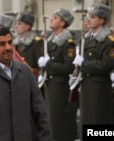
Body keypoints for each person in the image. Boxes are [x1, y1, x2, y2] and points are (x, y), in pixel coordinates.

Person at [0, 27, 51, 141]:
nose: (8, 47)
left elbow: (40, 112)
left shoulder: (25, 71)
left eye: (10, 42)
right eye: (2, 44)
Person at [72, 3, 114, 137]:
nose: (89, 19)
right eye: (88, 17)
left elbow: (106, 65)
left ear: (102, 20)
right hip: (86, 86)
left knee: (98, 121)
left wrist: (84, 63)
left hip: (99, 88)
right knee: (86, 121)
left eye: (93, 17)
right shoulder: (86, 39)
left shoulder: (108, 41)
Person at [38, 8, 77, 141]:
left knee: (56, 119)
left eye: (55, 18)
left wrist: (48, 64)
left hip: (59, 85)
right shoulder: (49, 41)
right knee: (48, 118)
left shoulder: (67, 42)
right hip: (48, 83)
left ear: (62, 23)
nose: (51, 19)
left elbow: (69, 67)